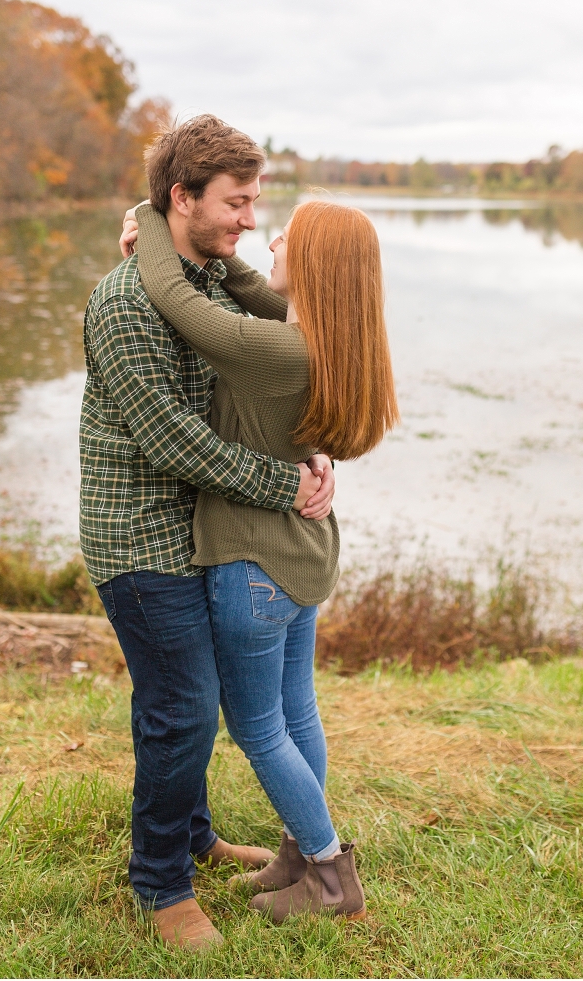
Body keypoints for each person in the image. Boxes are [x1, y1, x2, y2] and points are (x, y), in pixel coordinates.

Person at [80, 115, 335, 950]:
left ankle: (192, 834)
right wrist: (286, 484)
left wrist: (311, 450)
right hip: (140, 537)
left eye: (256, 201)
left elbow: (270, 368)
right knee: (183, 705)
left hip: (202, 528)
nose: (251, 220)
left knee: (179, 700)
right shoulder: (123, 302)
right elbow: (172, 440)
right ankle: (161, 885)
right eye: (235, 202)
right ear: (181, 197)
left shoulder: (207, 284)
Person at [127, 193, 399, 925]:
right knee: (297, 708)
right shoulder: (329, 341)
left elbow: (178, 300)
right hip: (305, 555)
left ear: (312, 265)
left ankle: (330, 874)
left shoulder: (275, 350)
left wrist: (150, 218)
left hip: (254, 563)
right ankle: (298, 854)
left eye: (290, 235)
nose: (270, 235)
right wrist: (232, 258)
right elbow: (252, 289)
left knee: (257, 726)